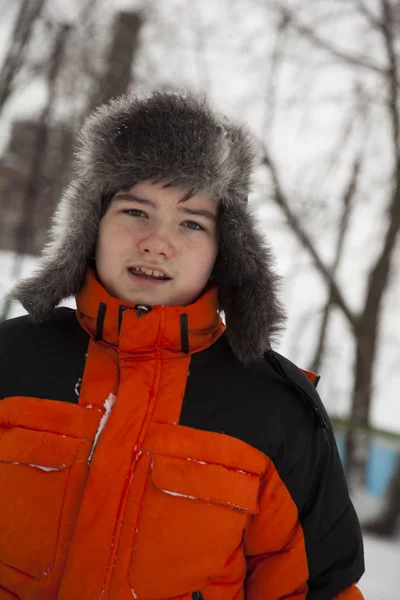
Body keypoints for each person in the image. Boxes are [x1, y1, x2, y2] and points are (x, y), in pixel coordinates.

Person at [0, 91, 364, 600]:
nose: (156, 241)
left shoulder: (275, 411)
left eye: (191, 222)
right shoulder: (10, 360)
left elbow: (314, 590)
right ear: (91, 226)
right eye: (135, 211)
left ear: (225, 251)